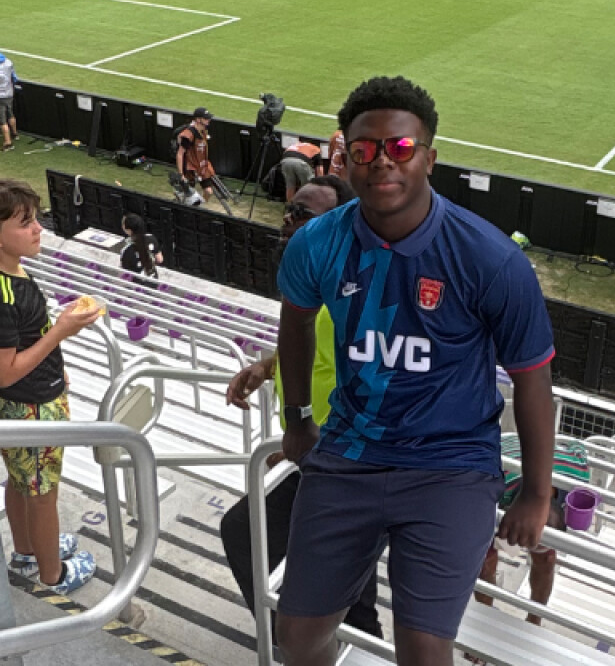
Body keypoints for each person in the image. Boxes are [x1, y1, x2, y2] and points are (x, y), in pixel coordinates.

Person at [274, 76, 555, 666]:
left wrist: (535, 492)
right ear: (345, 159)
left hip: (450, 464)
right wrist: (297, 418)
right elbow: (295, 322)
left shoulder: (492, 260)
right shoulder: (316, 244)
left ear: (429, 157)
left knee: (424, 651)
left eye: (400, 148)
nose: (382, 161)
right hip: (349, 452)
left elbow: (532, 379)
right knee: (296, 636)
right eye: (364, 149)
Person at [220, 176, 384, 640]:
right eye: (289, 210)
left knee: (243, 532)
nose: (288, 220)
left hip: (342, 460)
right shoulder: (314, 283)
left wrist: (307, 445)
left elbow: (373, 384)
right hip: (320, 454)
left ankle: (291, 646)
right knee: (353, 575)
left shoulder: (360, 295)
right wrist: (265, 367)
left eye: (303, 215)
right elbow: (314, 351)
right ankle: (346, 641)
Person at [0, 179, 101, 595]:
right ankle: (52, 574)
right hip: (31, 407)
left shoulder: (12, 270)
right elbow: (5, 373)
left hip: (30, 398)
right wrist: (60, 332)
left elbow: (25, 340)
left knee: (21, 482)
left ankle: (27, 550)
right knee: (43, 493)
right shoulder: (4, 296)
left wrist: (54, 351)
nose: (38, 228)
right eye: (25, 222)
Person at [474, 439, 590, 626]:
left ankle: (534, 618)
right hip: (504, 452)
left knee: (547, 559)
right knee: (483, 559)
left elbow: (579, 446)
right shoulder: (494, 484)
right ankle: (485, 615)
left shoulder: (578, 480)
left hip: (544, 463)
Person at [175, 107, 216, 202]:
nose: (208, 120)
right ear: (198, 119)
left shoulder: (203, 131)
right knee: (186, 194)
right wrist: (181, 174)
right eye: (206, 118)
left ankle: (200, 206)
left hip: (202, 167)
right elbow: (180, 154)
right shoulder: (189, 134)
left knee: (209, 192)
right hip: (190, 168)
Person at [120, 213, 163, 279]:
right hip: (154, 280)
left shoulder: (126, 250)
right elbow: (160, 259)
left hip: (137, 284)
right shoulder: (151, 238)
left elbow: (124, 273)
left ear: (129, 230)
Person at [0, 53, 20, 153]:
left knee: (2, 121)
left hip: (0, 96)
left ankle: (8, 142)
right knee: (10, 113)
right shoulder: (8, 62)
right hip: (9, 93)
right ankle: (15, 133)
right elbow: (14, 77)